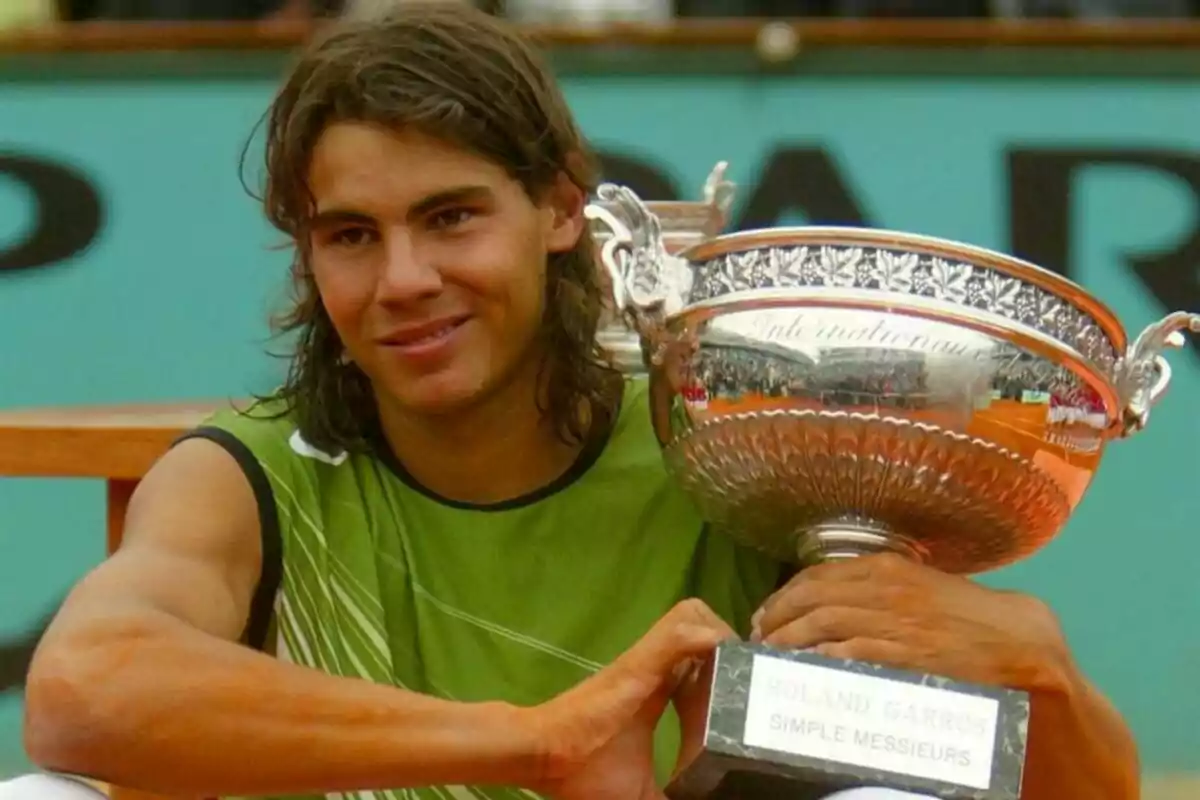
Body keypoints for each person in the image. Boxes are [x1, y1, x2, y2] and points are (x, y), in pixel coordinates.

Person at [14, 4, 1138, 800]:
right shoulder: (253, 470)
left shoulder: (734, 449)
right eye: (352, 234)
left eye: (451, 216)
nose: (404, 279)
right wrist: (535, 741)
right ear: (308, 260)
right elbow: (81, 690)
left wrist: (1041, 669)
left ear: (561, 211)